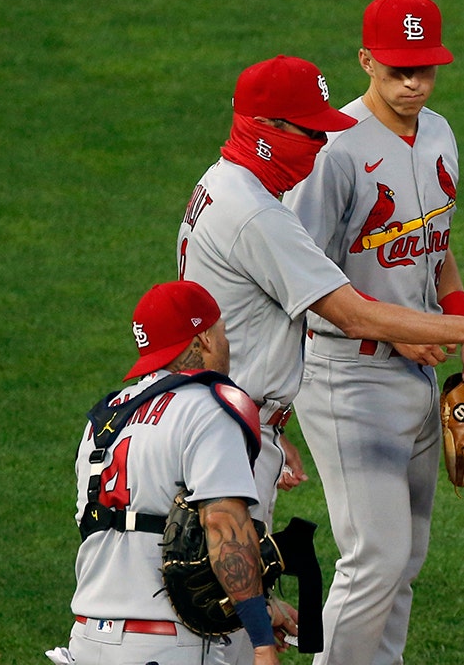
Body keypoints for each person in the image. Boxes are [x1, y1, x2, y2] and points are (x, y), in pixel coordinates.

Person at [177, 53, 464, 664]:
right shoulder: (255, 212)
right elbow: (348, 311)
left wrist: (264, 424)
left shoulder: (225, 187)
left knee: (387, 565)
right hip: (273, 410)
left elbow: (430, 247)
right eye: (309, 131)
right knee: (226, 624)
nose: (322, 143)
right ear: (267, 130)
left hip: (241, 421)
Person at [282, 0, 464, 664]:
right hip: (347, 373)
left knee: (406, 558)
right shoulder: (332, 150)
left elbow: (436, 247)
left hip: (420, 373)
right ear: (366, 60)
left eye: (424, 69)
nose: (412, 83)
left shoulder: (440, 133)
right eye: (398, 69)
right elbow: (298, 274)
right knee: (376, 556)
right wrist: (399, 331)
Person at [60, 281, 289, 665]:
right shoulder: (208, 410)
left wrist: (264, 608)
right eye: (223, 332)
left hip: (87, 637)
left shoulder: (104, 419)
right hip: (164, 646)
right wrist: (261, 640)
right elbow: (222, 528)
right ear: (204, 340)